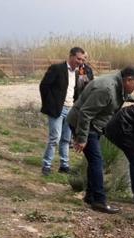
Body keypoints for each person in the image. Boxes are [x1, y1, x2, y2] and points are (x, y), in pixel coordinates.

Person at [67, 66, 134, 214]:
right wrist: (82, 138)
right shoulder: (106, 89)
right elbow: (85, 113)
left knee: (94, 161)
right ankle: (99, 201)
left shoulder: (117, 84)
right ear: (128, 80)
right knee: (97, 161)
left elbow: (118, 95)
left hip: (94, 125)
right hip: (83, 123)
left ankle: (90, 197)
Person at [39, 47, 85, 176]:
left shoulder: (78, 73)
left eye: (82, 59)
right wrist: (49, 104)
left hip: (71, 110)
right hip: (57, 110)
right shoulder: (57, 68)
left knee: (66, 139)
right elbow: (44, 86)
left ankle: (64, 165)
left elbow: (77, 90)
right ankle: (46, 165)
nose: (80, 61)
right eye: (78, 58)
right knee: (55, 138)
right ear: (71, 56)